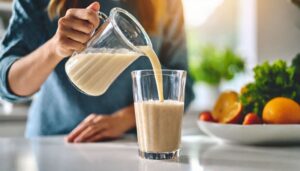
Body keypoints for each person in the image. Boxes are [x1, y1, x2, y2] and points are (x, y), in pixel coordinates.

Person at [0, 0, 194, 143]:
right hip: (54, 143)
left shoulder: (166, 4)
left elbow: (181, 85)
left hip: (127, 145)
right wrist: (54, 48)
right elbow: (7, 84)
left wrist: (123, 119)